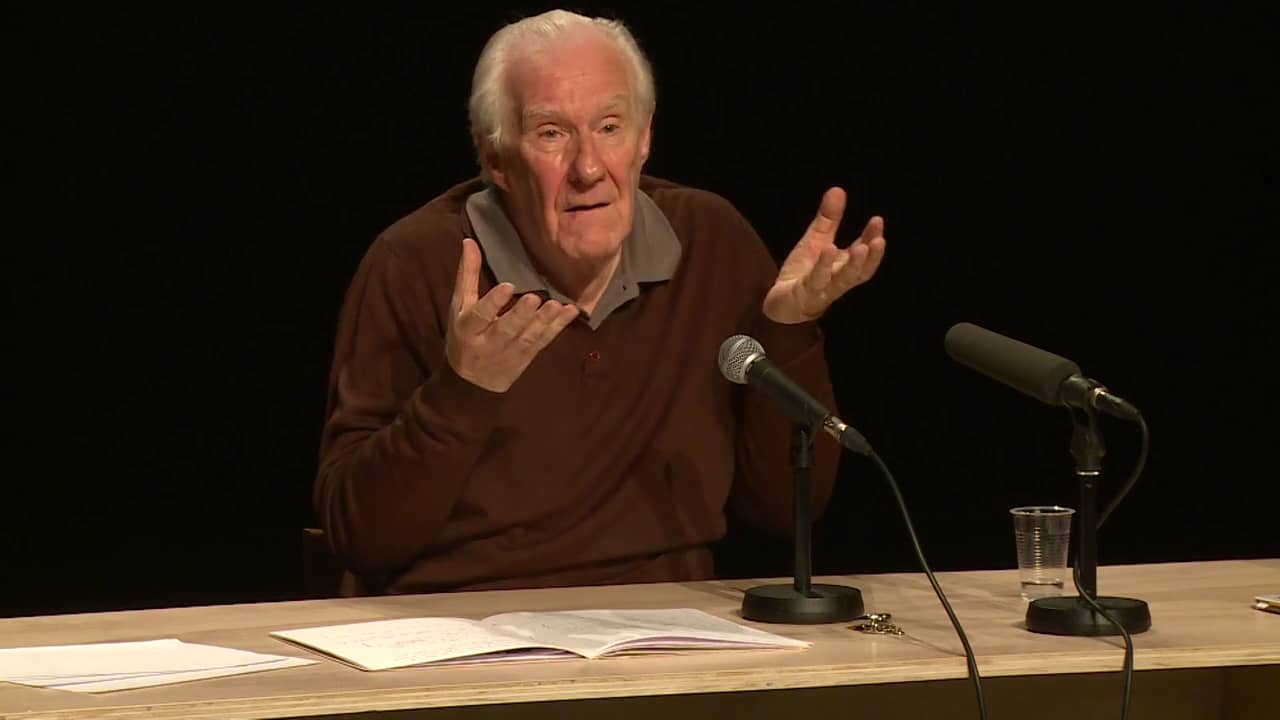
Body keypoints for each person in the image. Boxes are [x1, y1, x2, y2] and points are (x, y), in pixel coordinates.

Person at [313, 9, 886, 596]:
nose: (588, 167)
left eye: (610, 127)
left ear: (645, 138)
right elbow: (359, 536)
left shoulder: (711, 240)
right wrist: (462, 392)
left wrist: (787, 330)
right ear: (495, 158)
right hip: (465, 620)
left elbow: (784, 509)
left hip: (670, 624)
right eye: (551, 133)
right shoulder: (414, 264)